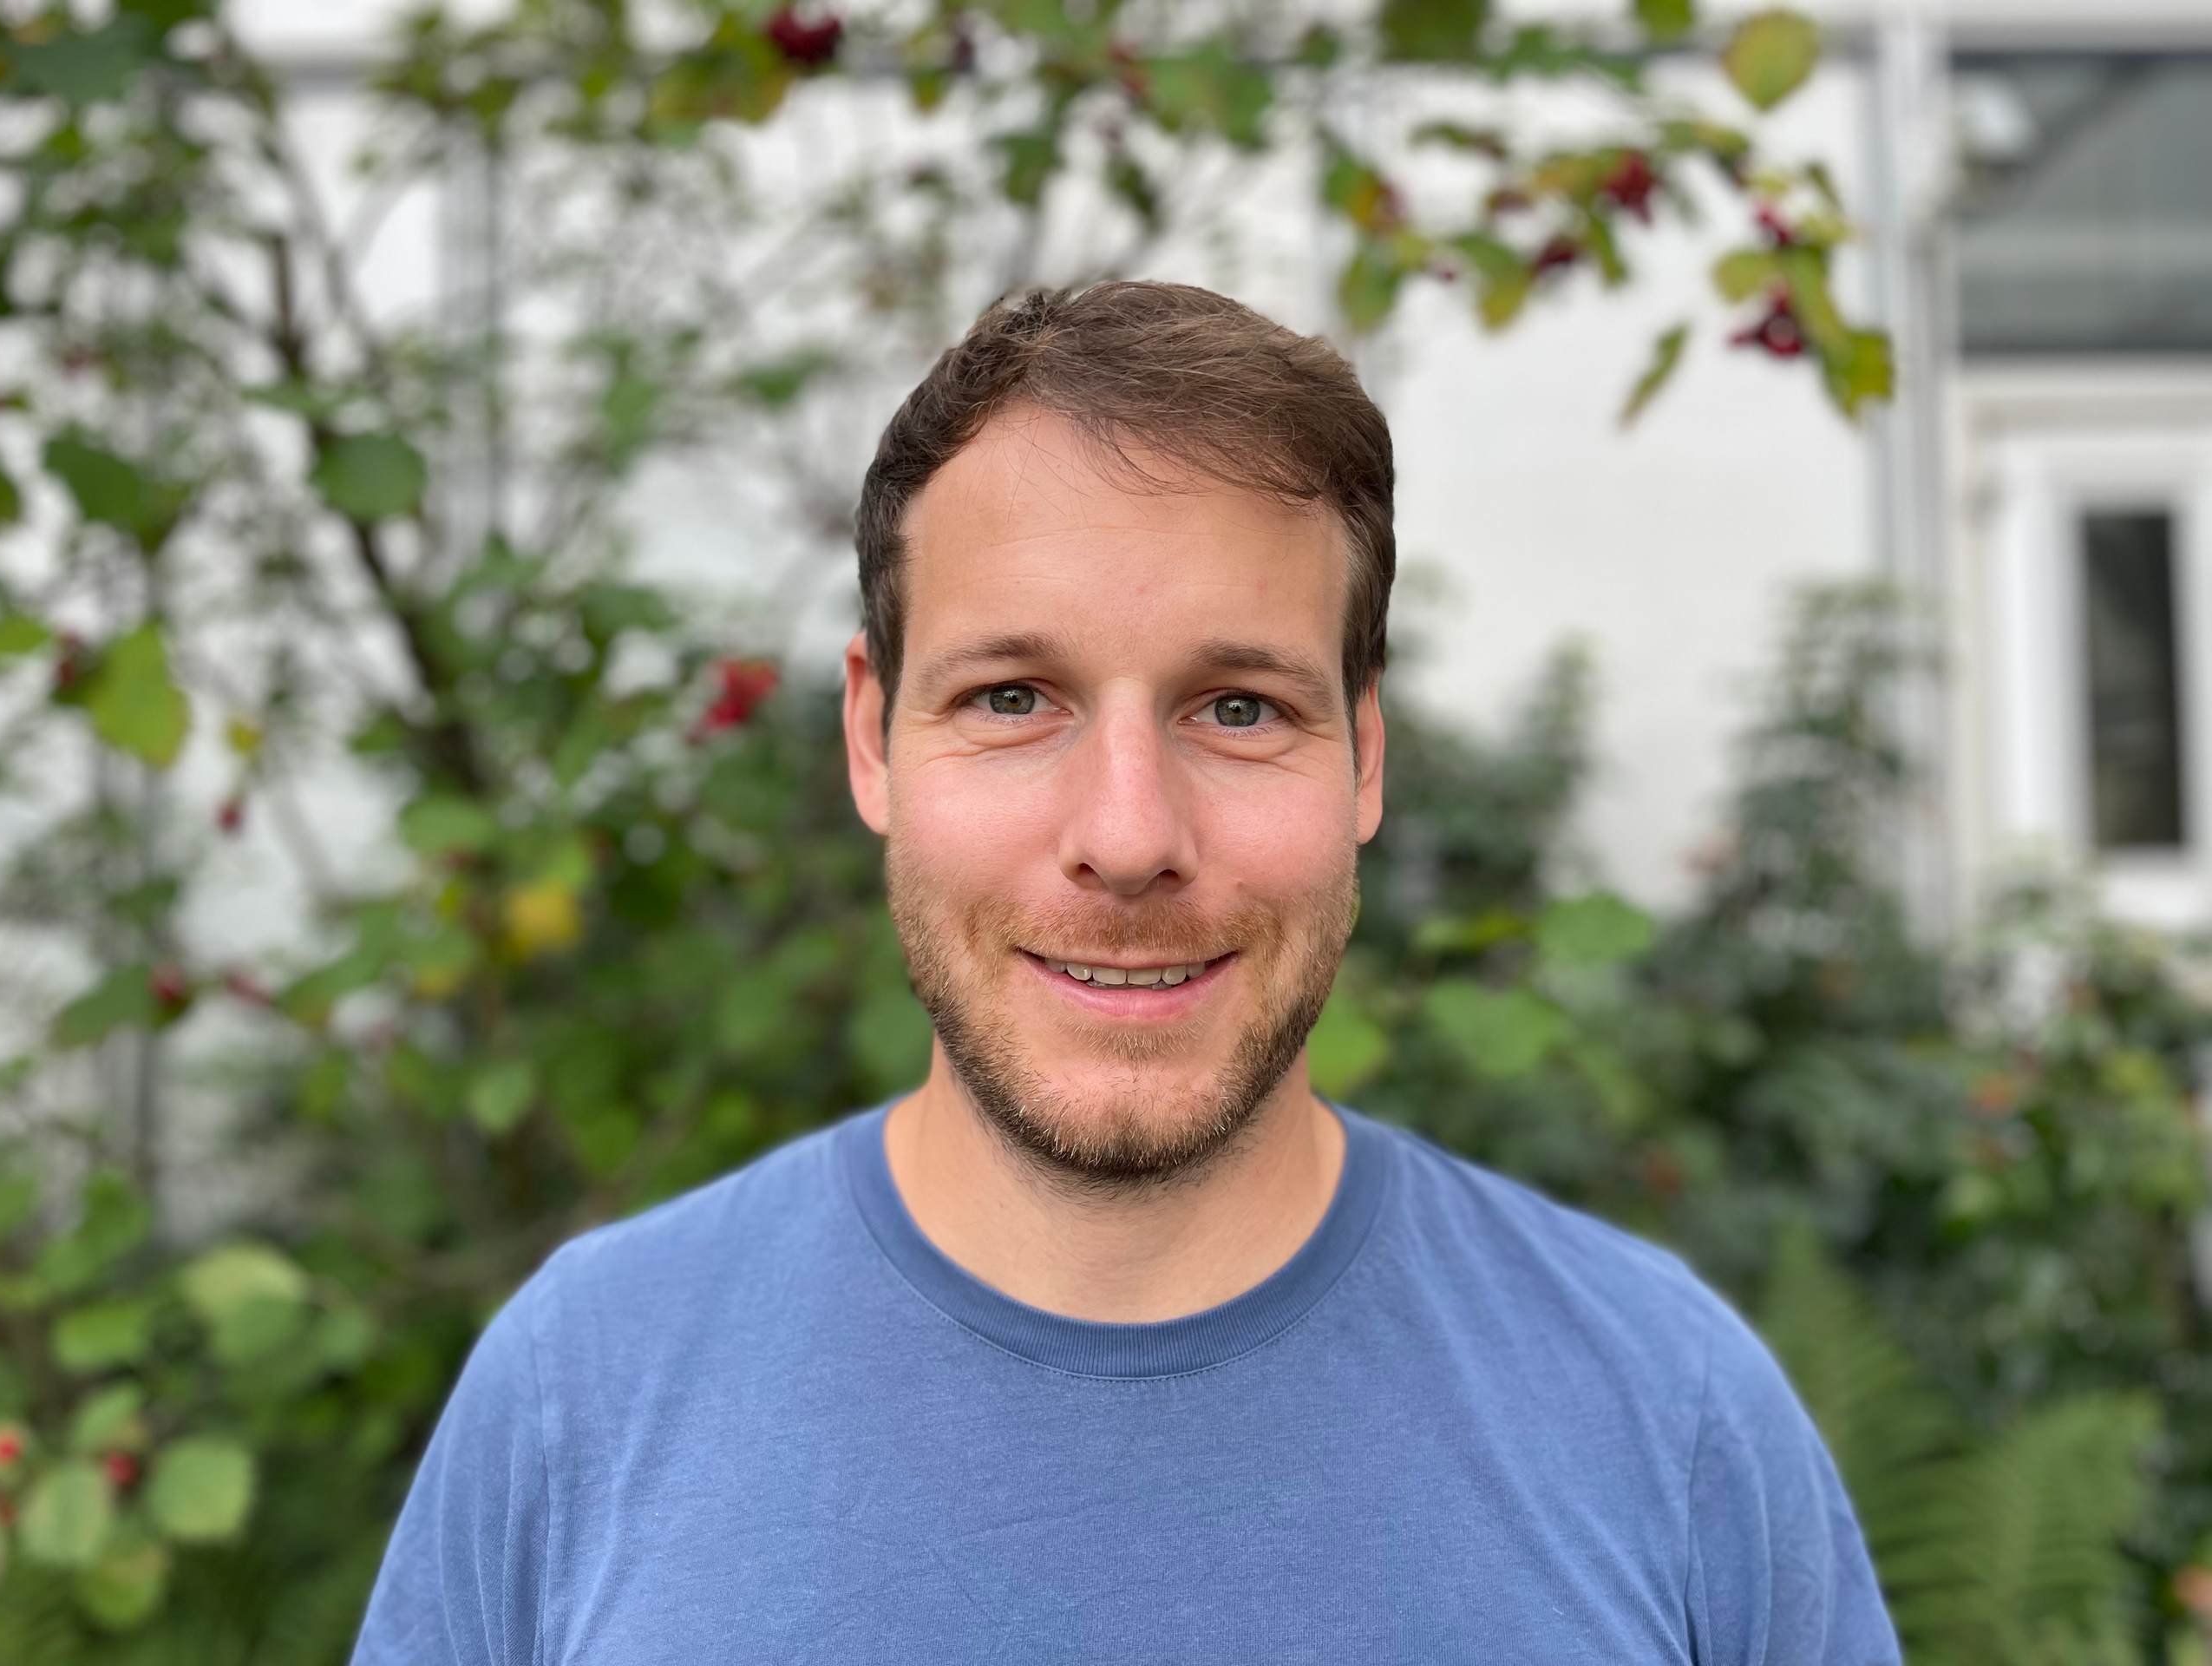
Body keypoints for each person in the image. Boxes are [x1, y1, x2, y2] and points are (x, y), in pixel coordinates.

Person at [350, 280, 1901, 1664]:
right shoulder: (582, 1394)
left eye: (1239, 709)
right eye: (1013, 697)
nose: (1130, 837)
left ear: (1364, 756)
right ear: (871, 738)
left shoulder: (1666, 1415)